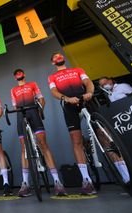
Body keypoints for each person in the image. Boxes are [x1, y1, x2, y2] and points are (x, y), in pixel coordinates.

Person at [11, 69, 67, 197]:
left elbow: (42, 99)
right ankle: (25, 183)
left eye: (20, 72)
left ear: (24, 74)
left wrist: (41, 111)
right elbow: (14, 106)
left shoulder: (33, 84)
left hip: (33, 113)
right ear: (15, 77)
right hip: (21, 115)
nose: (18, 74)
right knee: (24, 149)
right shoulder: (13, 90)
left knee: (43, 145)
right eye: (16, 74)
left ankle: (57, 182)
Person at [48, 52, 97, 195]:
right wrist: (66, 98)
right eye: (55, 57)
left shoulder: (77, 70)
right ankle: (86, 180)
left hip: (86, 100)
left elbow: (88, 82)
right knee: (76, 141)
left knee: (103, 135)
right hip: (69, 105)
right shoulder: (52, 77)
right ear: (53, 62)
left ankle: (127, 176)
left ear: (63, 59)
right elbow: (54, 91)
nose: (58, 57)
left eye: (59, 55)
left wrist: (89, 92)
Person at [99, 77, 132, 192]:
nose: (105, 85)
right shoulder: (110, 95)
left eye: (105, 82)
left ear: (111, 80)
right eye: (102, 84)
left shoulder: (122, 86)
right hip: (126, 123)